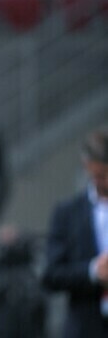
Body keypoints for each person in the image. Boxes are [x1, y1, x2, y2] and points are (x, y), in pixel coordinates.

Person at [42, 127, 108, 338]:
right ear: (87, 167)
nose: (106, 181)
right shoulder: (68, 213)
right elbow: (51, 274)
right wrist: (93, 271)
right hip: (87, 327)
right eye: (100, 175)